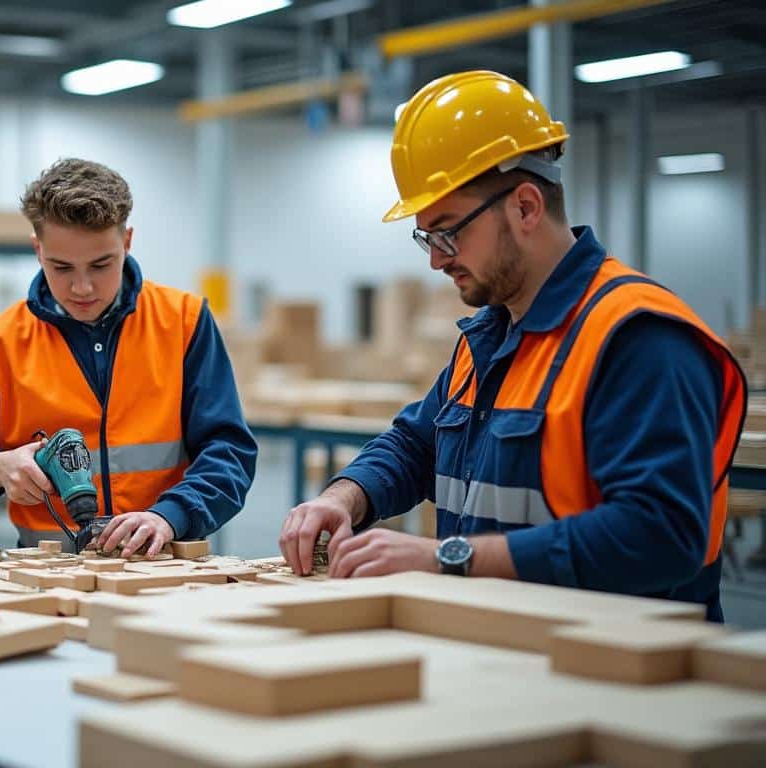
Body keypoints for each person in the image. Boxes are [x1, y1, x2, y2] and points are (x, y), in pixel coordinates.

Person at [277, 71, 745, 621]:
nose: (436, 259)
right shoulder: (491, 335)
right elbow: (416, 445)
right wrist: (342, 498)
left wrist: (447, 558)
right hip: (513, 654)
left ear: (524, 207)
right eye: (426, 237)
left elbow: (661, 533)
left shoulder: (638, 336)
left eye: (449, 232)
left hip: (619, 673)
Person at [0, 158, 257, 555]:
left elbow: (229, 452)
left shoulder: (184, 323)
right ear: (37, 249)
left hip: (166, 567)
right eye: (61, 267)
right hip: (47, 578)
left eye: (101, 264)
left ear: (127, 241)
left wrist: (170, 516)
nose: (82, 287)